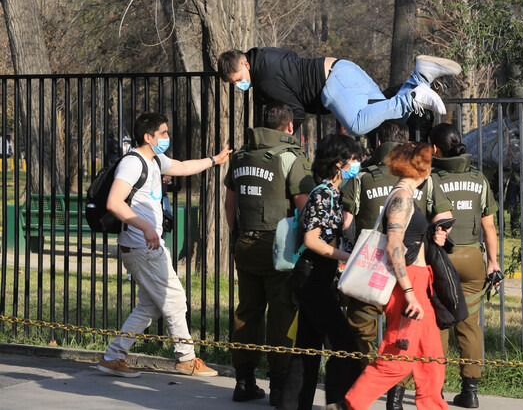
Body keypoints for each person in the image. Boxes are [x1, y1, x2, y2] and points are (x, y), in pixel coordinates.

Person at [97, 112, 233, 378]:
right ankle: (186, 358)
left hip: (145, 247)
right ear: (148, 137)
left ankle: (113, 356)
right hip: (142, 247)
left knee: (149, 307)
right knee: (175, 299)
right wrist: (146, 227)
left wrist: (214, 160)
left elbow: (182, 167)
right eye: (163, 133)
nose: (168, 137)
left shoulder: (154, 160)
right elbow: (114, 203)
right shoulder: (132, 163)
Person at [341, 120, 452, 410]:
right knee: (398, 356)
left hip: (419, 280)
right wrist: (410, 292)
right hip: (408, 285)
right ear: (422, 169)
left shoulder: (406, 195)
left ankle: (433, 405)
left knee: (431, 355)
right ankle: (351, 404)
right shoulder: (401, 197)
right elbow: (393, 245)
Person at [223, 103, 315, 405]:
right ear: (289, 126)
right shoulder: (290, 157)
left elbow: (230, 203)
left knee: (247, 312)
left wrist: (236, 235)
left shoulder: (241, 156)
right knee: (281, 312)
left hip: (245, 242)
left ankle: (244, 382)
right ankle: (278, 387)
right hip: (280, 249)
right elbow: (303, 204)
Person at [277, 133, 362, 410]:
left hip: (318, 275)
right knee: (342, 343)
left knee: (307, 348)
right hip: (311, 276)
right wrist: (347, 257)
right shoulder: (323, 193)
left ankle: (292, 405)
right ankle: (339, 403)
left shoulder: (333, 193)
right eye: (353, 159)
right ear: (339, 163)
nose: (357, 164)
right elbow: (312, 240)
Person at [217, 47, 461, 135]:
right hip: (345, 71)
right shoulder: (263, 56)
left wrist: (281, 139)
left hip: (332, 83)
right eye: (233, 83)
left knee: (356, 125)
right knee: (390, 124)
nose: (239, 85)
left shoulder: (264, 77)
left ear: (245, 64)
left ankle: (412, 97)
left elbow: (296, 111)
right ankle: (420, 76)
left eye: (238, 79)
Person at [427, 122, 501, 408]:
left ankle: (435, 390)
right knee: (469, 325)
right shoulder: (478, 178)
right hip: (472, 258)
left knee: (439, 323)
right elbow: (489, 227)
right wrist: (493, 262)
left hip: (441, 258)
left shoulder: (431, 178)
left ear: (435, 148)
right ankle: (470, 392)